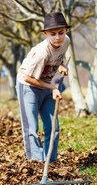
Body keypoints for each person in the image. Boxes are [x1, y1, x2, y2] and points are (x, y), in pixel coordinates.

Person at [16, 12, 71, 163]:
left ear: (66, 31)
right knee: (32, 129)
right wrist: (52, 88)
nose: (57, 37)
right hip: (28, 86)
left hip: (47, 85)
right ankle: (37, 165)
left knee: (53, 127)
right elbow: (28, 77)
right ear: (46, 34)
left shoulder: (66, 41)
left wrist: (61, 64)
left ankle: (51, 163)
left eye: (61, 32)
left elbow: (58, 57)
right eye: (52, 34)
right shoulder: (41, 52)